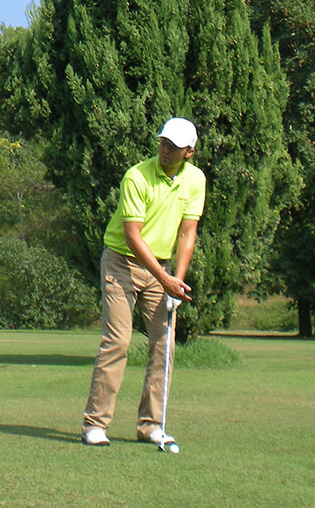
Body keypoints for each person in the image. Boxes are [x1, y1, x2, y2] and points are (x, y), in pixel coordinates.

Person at [81, 117, 205, 450]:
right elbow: (133, 236)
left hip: (161, 269)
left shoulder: (195, 180)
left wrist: (175, 281)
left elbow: (187, 232)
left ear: (189, 152)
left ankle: (151, 425)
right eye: (163, 143)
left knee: (164, 346)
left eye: (175, 147)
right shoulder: (136, 176)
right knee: (118, 341)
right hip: (121, 263)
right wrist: (165, 278)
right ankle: (95, 424)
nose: (166, 150)